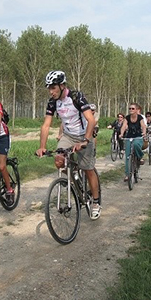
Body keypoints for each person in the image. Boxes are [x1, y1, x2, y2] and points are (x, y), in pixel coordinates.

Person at [35, 70, 101, 220]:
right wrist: (42, 146)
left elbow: (91, 120)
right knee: (59, 161)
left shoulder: (76, 97)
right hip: (68, 135)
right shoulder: (53, 102)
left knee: (88, 169)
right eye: (49, 88)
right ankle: (74, 178)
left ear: (62, 85)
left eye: (53, 87)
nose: (51, 91)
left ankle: (96, 202)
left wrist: (85, 140)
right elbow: (46, 125)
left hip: (84, 134)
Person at [120, 103, 147, 182]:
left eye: (132, 108)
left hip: (138, 136)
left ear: (136, 110)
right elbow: (124, 126)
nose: (131, 110)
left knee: (136, 145)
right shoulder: (127, 118)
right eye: (130, 108)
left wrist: (144, 132)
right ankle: (127, 174)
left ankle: (140, 157)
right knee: (128, 156)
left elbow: (143, 126)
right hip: (129, 137)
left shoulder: (140, 117)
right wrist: (121, 134)